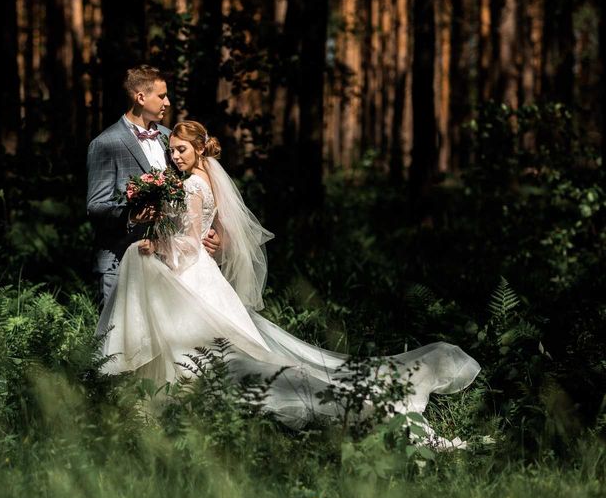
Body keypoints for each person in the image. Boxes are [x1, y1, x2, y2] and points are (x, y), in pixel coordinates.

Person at [95, 120, 481, 449]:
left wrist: (156, 243)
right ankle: (179, 406)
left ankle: (175, 408)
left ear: (198, 149)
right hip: (196, 270)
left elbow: (192, 239)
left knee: (207, 344)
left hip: (190, 267)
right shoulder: (199, 179)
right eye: (173, 151)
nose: (175, 156)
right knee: (211, 343)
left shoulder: (193, 186)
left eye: (181, 150)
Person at [86, 65, 221, 308]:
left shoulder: (170, 138)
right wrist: (131, 216)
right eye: (161, 96)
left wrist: (206, 233)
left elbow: (195, 192)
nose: (167, 102)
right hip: (122, 261)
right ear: (140, 97)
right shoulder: (105, 144)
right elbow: (95, 207)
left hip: (171, 264)